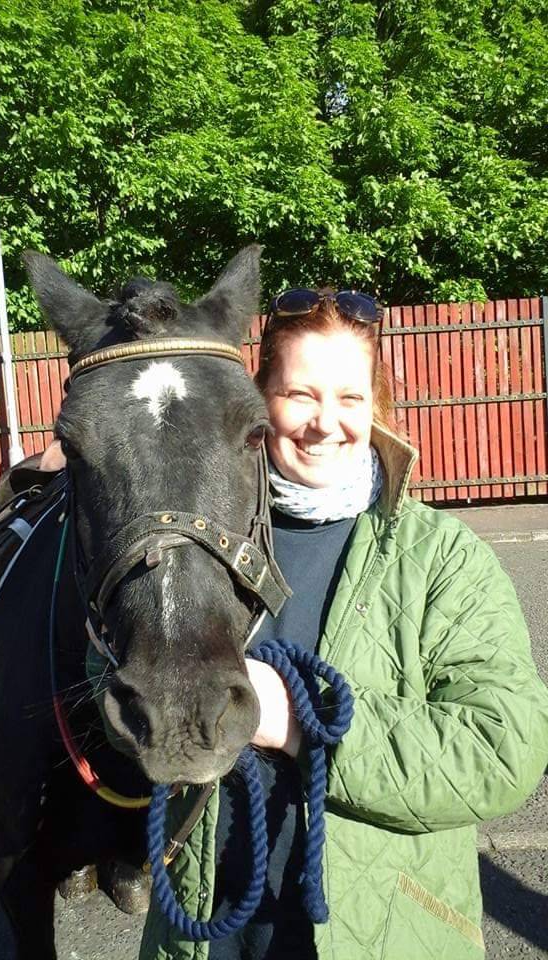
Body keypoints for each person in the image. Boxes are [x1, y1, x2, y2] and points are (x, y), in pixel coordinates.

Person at [139, 284, 548, 960]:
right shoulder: (193, 542)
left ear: (374, 406)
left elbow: (502, 747)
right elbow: (111, 681)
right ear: (259, 399)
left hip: (387, 930)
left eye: (350, 398)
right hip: (206, 932)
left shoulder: (442, 557)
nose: (324, 422)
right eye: (300, 395)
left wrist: (296, 720)